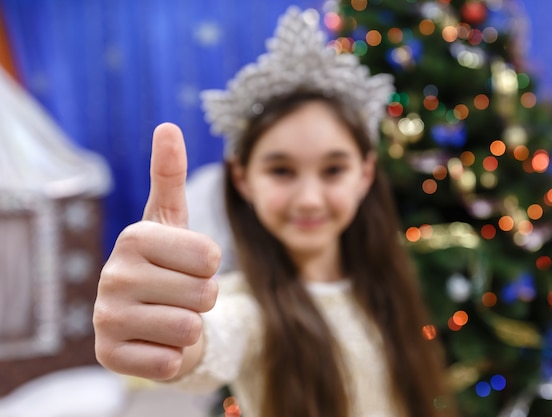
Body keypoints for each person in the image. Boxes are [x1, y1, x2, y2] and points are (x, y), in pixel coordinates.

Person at [93, 7, 456, 417]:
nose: (309, 200)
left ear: (366, 173)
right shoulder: (250, 310)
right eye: (281, 170)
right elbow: (208, 338)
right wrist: (156, 328)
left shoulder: (390, 285)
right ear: (244, 179)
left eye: (333, 170)